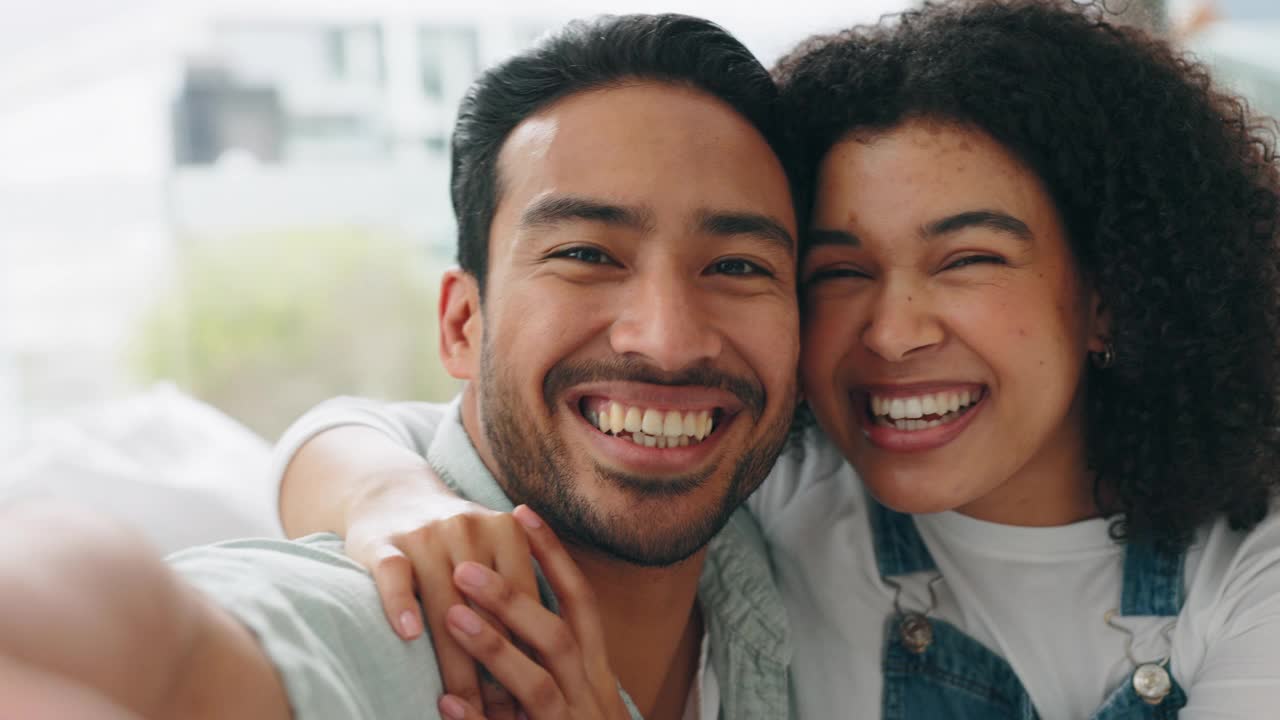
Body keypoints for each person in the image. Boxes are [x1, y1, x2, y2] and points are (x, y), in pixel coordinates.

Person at [274, 1, 1280, 718]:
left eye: (965, 259)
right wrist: (385, 503)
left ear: (1110, 291)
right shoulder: (764, 492)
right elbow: (383, 430)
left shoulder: (1252, 572)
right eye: (838, 270)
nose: (891, 333)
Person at [0, 14, 804, 720]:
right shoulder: (392, 629)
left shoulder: (796, 547)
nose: (666, 340)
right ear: (462, 322)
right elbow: (157, 635)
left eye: (737, 267)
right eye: (586, 254)